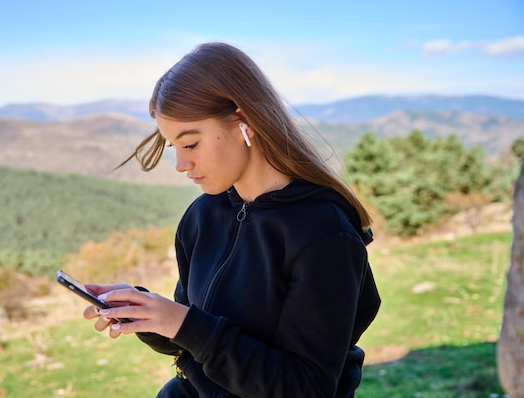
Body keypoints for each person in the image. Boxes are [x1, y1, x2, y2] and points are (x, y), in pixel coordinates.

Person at [82, 42, 380, 398]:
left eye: (190, 144)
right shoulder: (201, 216)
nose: (180, 164)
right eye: (172, 147)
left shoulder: (322, 233)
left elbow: (306, 387)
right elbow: (193, 339)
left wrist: (183, 323)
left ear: (245, 122)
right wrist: (146, 312)